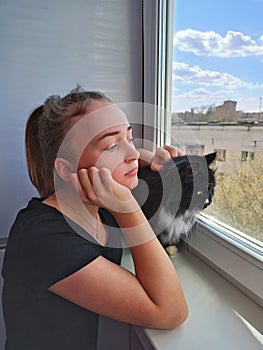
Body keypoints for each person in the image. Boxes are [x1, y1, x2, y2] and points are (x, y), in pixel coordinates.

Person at [2, 87, 188, 350]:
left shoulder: (93, 207)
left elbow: (131, 158)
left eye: (130, 138)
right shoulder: (43, 238)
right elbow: (170, 312)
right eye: (112, 145)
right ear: (67, 169)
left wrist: (152, 159)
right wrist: (127, 209)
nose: (133, 153)